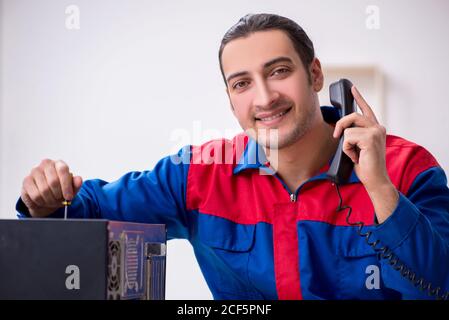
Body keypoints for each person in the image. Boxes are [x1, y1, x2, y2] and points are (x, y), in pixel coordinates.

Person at [16, 13, 449, 300]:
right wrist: (45, 201)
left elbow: (437, 287)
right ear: (230, 98)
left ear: (315, 74)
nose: (264, 97)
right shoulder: (195, 175)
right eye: (242, 83)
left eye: (279, 72)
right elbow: (85, 214)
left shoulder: (408, 168)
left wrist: (379, 190)